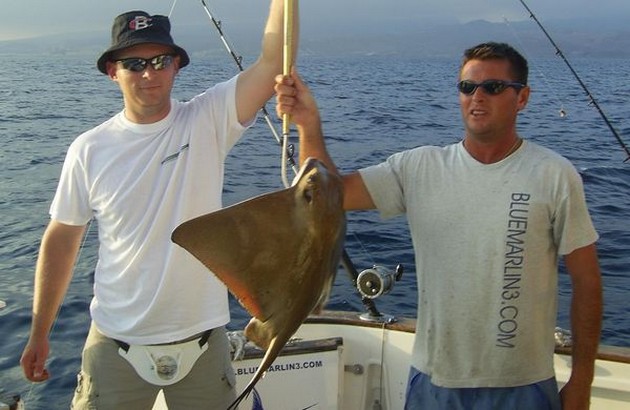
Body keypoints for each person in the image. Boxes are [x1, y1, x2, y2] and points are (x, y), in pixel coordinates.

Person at [275, 42, 602, 410]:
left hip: (523, 386)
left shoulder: (554, 175)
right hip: (432, 382)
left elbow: (587, 283)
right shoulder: (418, 168)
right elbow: (327, 196)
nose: (477, 97)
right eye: (467, 87)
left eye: (493, 87)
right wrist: (308, 123)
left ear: (522, 98)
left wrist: (582, 381)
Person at [20, 3, 298, 409]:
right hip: (115, 345)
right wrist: (39, 330)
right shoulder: (88, 149)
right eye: (134, 64)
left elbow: (273, 61)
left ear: (176, 67)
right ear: (113, 71)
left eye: (160, 61)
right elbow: (62, 239)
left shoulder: (207, 119)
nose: (149, 73)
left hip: (204, 343)